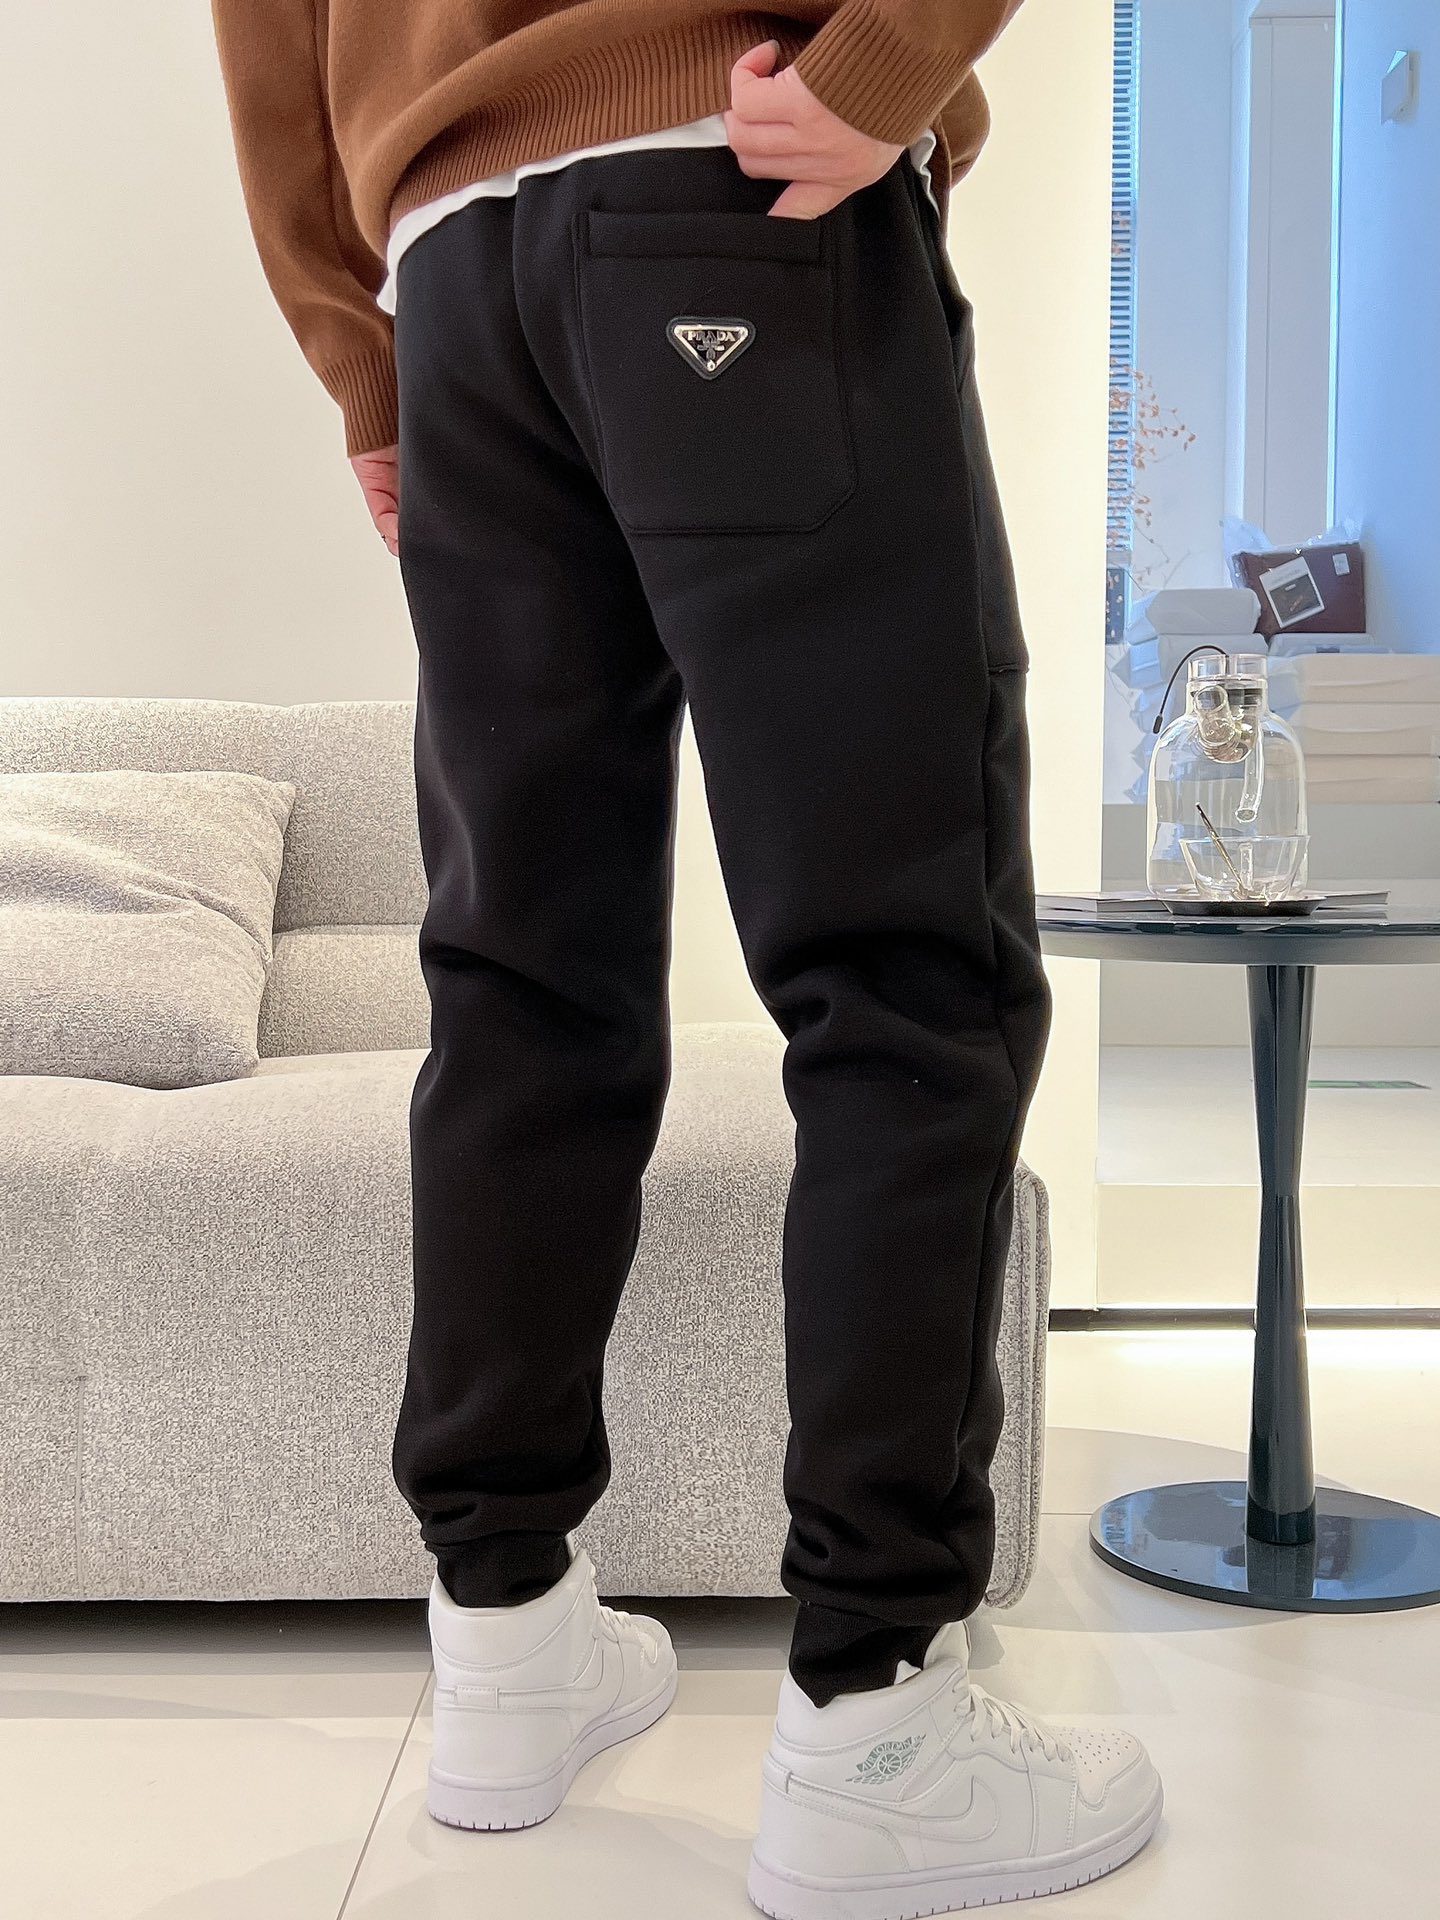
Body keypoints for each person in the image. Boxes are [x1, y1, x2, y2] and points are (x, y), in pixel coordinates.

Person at [210, 3, 1163, 1910]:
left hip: (457, 275)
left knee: (518, 988)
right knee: (902, 981)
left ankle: (506, 1637)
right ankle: (879, 1713)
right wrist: (888, 60)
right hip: (731, 183)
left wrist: (364, 358)